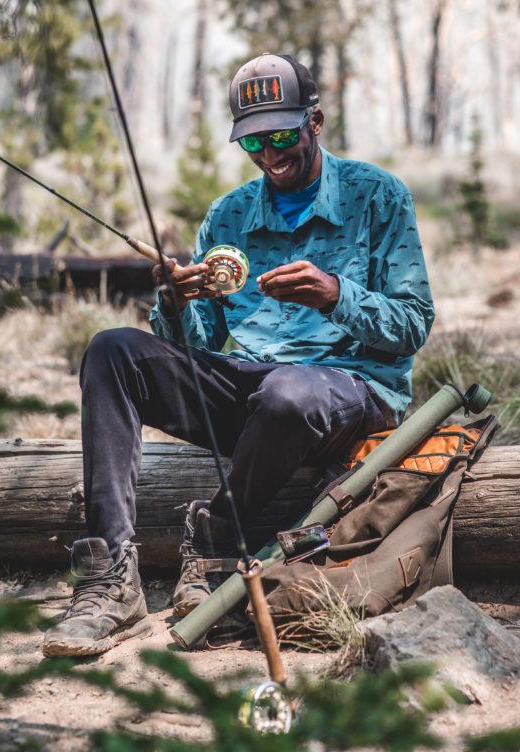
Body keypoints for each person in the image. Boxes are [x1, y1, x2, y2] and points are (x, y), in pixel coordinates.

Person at [43, 53, 435, 657]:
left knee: (290, 392)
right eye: (254, 141)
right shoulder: (227, 216)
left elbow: (413, 326)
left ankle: (216, 541)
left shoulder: (377, 196)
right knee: (111, 351)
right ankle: (111, 579)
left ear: (317, 121)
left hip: (347, 390)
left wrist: (338, 297)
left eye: (283, 136)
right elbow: (198, 349)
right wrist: (174, 302)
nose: (271, 155)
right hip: (251, 387)